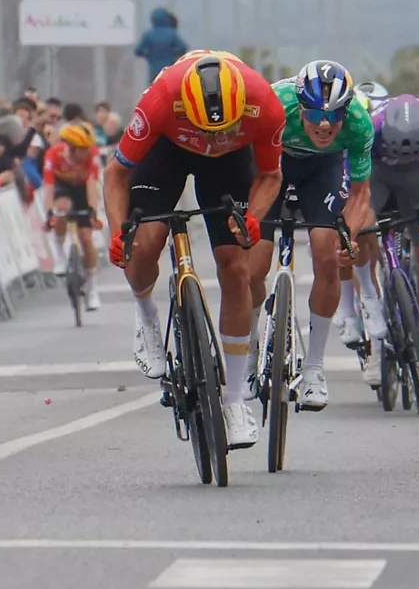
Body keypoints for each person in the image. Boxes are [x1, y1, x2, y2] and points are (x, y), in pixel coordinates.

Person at [104, 51, 286, 449]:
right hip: (166, 150)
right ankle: (146, 315)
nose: (213, 140)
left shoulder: (264, 104)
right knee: (144, 245)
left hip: (230, 165)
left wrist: (252, 217)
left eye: (224, 130)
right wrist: (119, 233)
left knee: (235, 268)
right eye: (206, 131)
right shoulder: (160, 99)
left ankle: (235, 400)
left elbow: (271, 175)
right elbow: (116, 173)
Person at [248, 60, 373, 411]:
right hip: (272, 165)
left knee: (327, 251)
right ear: (301, 107)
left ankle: (315, 367)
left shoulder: (359, 123)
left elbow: (361, 193)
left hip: (322, 169)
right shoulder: (275, 104)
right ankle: (249, 354)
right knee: (254, 265)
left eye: (334, 116)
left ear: (346, 111)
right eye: (316, 114)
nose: (324, 124)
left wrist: (348, 236)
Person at [352, 93, 419, 391]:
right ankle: (374, 335)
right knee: (361, 231)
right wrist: (362, 221)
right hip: (376, 175)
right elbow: (358, 193)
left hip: (417, 176)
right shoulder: (370, 129)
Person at [43, 121, 105, 310]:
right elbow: (49, 187)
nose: (87, 151)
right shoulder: (53, 154)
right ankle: (59, 254)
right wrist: (49, 212)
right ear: (70, 147)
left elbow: (92, 185)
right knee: (62, 207)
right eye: (83, 149)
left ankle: (92, 290)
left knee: (86, 239)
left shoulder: (93, 155)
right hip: (62, 188)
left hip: (82, 190)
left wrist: (93, 211)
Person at [134, 7, 190, 83]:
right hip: (169, 69)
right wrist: (173, 54)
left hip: (153, 71)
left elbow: (137, 51)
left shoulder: (148, 35)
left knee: (154, 87)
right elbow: (183, 47)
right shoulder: (172, 33)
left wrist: (148, 55)